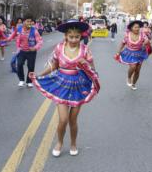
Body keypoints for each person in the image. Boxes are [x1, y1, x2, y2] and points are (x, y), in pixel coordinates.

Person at [29, 19, 100, 157]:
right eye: (71, 37)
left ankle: (73, 143)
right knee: (63, 120)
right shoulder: (59, 48)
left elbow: (93, 70)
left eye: (77, 37)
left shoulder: (85, 50)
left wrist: (86, 63)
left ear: (81, 36)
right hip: (61, 84)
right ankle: (59, 143)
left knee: (73, 120)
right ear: (66, 36)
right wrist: (39, 74)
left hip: (78, 86)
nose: (74, 39)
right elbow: (54, 65)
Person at [7, 17, 43, 87]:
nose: (29, 23)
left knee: (31, 67)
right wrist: (7, 39)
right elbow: (13, 34)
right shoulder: (19, 28)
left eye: (30, 21)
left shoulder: (34, 30)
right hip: (22, 51)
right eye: (28, 21)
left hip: (31, 52)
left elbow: (40, 41)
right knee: (19, 64)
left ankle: (29, 81)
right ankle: (21, 80)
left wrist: (35, 48)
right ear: (24, 22)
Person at [115, 20, 150, 90]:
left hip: (140, 53)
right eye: (135, 27)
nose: (137, 29)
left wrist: (145, 42)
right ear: (131, 28)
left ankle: (133, 84)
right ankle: (129, 78)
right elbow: (123, 43)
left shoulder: (142, 34)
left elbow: (147, 40)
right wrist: (118, 52)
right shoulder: (127, 35)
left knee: (137, 70)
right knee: (133, 66)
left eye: (138, 27)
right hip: (129, 53)